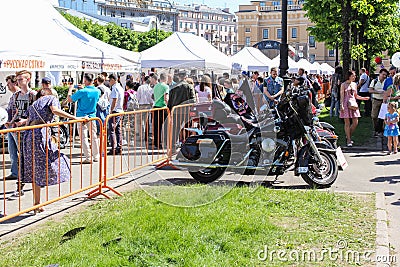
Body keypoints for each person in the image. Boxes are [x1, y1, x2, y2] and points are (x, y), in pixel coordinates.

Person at [23, 88, 78, 213]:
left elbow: (27, 123)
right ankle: (38, 202)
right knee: (58, 160)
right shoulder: (51, 98)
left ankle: (37, 203)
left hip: (29, 136)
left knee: (35, 169)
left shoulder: (33, 105)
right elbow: (55, 110)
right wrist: (73, 117)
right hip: (40, 135)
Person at [7, 70, 37, 197]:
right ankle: (20, 187)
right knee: (22, 158)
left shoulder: (34, 95)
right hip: (18, 131)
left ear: (28, 80)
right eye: (17, 79)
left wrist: (26, 121)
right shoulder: (16, 96)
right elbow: (17, 111)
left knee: (31, 158)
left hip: (31, 130)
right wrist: (11, 122)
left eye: (21, 79)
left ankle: (37, 182)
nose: (18, 82)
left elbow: (37, 113)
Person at [67, 73, 100, 163]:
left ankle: (88, 157)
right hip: (92, 116)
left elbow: (70, 99)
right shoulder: (97, 91)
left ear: (85, 81)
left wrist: (70, 90)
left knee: (84, 137)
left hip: (81, 116)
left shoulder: (82, 91)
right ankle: (96, 156)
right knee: (93, 136)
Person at [340, 70, 370, 147]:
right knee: (347, 123)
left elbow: (355, 96)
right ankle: (349, 140)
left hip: (353, 103)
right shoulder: (343, 84)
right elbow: (342, 96)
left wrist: (364, 98)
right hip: (346, 104)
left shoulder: (354, 84)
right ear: (349, 76)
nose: (355, 77)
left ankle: (348, 135)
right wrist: (342, 105)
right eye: (353, 75)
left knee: (355, 122)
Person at [4, 75, 20, 180]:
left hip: (16, 126)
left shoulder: (19, 95)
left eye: (9, 83)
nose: (7, 86)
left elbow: (19, 111)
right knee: (12, 150)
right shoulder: (13, 96)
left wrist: (12, 122)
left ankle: (24, 173)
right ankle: (15, 172)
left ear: (14, 83)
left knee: (20, 150)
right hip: (10, 127)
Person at [107, 73, 125, 155]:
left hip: (115, 111)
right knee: (118, 130)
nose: (109, 82)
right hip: (119, 110)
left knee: (112, 130)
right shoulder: (120, 87)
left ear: (113, 80)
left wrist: (111, 110)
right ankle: (119, 147)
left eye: (109, 80)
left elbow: (115, 100)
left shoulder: (115, 88)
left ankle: (114, 148)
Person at [369, 68, 389, 137]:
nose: (384, 76)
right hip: (376, 100)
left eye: (385, 75)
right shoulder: (374, 81)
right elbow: (370, 90)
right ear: (379, 74)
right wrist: (378, 92)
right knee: (374, 116)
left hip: (384, 101)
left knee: (383, 116)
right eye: (383, 74)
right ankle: (376, 129)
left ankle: (381, 130)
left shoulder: (386, 81)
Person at [152, 73, 169, 149]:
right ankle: (163, 142)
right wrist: (169, 106)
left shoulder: (156, 86)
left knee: (156, 126)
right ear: (166, 79)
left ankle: (156, 142)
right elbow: (166, 98)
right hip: (163, 107)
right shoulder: (166, 86)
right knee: (164, 126)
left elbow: (153, 96)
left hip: (155, 107)